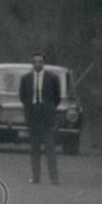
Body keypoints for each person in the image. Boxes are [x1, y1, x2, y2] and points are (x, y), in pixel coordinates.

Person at [18, 51, 61, 184]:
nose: (37, 64)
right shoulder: (25, 79)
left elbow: (57, 98)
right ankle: (35, 177)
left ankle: (54, 178)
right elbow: (22, 97)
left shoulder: (52, 78)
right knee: (34, 149)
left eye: (40, 61)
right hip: (32, 117)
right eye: (35, 62)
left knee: (50, 149)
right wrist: (30, 109)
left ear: (44, 63)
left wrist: (48, 109)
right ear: (32, 63)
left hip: (47, 118)